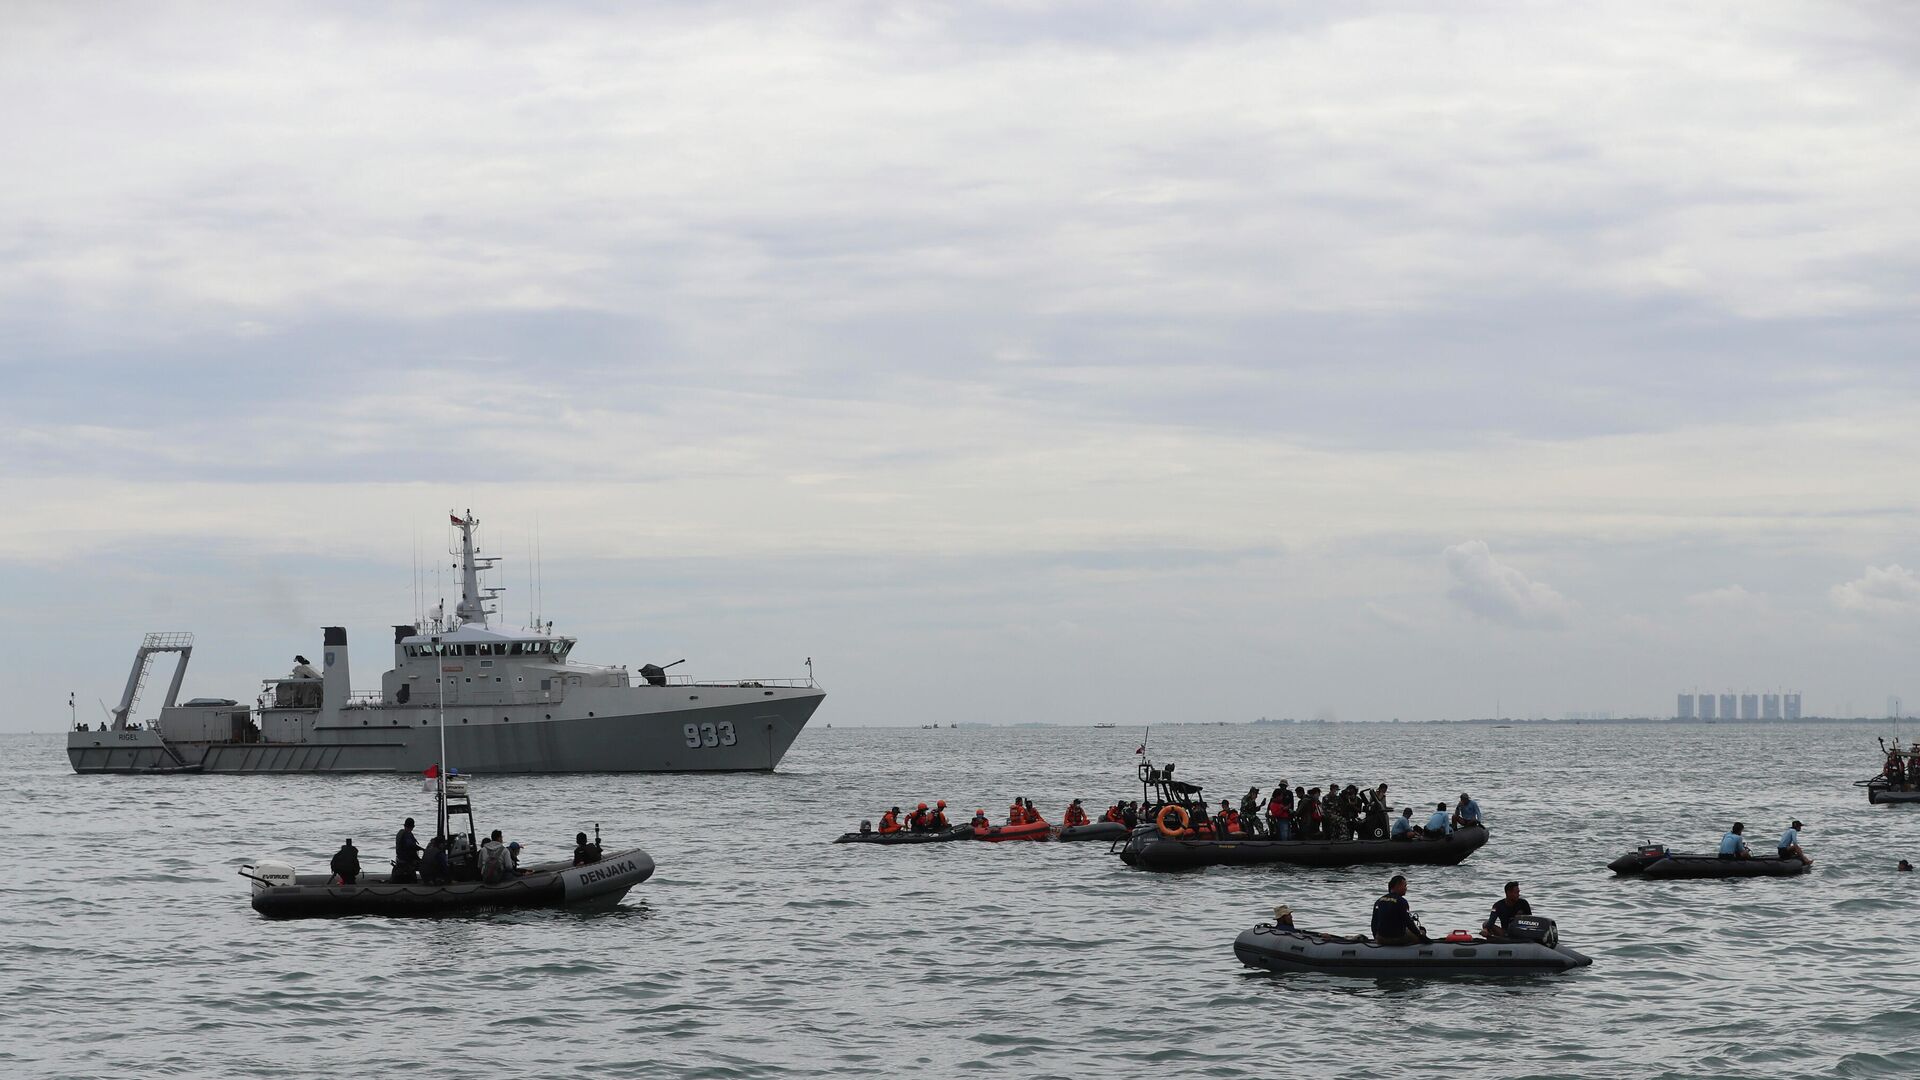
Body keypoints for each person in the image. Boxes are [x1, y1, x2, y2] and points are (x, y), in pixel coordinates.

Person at [1371, 874, 1428, 946]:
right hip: (1397, 939)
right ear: (1398, 885)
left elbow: (1374, 922)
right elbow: (1408, 922)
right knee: (1422, 930)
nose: (1406, 888)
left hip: (1380, 938)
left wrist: (1376, 938)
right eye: (1405, 886)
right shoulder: (1401, 901)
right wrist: (1421, 936)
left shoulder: (1378, 901)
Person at [393, 817, 423, 883]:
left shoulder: (400, 833)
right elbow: (411, 846)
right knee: (424, 864)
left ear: (404, 825)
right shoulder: (407, 835)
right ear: (413, 826)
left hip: (399, 858)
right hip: (407, 859)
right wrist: (422, 849)